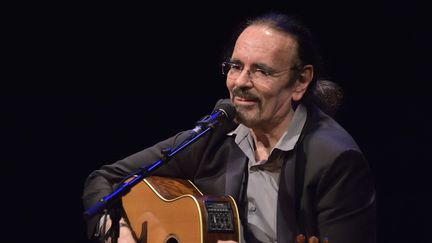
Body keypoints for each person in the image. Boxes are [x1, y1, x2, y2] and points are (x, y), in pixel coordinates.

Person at [82, 12, 376, 243]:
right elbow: (104, 180)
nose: (240, 83)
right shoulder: (219, 132)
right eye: (236, 67)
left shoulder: (334, 161)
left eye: (261, 71)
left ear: (300, 82)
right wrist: (120, 234)